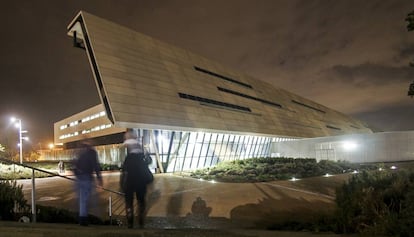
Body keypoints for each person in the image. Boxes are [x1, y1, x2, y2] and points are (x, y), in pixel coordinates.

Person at [120, 130, 152, 228]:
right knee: (141, 201)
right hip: (141, 181)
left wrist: (122, 184)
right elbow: (148, 162)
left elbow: (124, 170)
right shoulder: (141, 153)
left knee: (129, 202)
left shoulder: (127, 157)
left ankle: (130, 223)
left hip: (129, 182)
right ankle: (141, 221)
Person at [73, 140, 103, 226]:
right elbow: (96, 165)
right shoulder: (92, 152)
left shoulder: (79, 151)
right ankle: (84, 219)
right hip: (87, 177)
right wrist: (99, 179)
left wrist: (77, 173)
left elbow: (74, 163)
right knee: (86, 199)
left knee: (82, 199)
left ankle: (83, 218)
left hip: (79, 177)